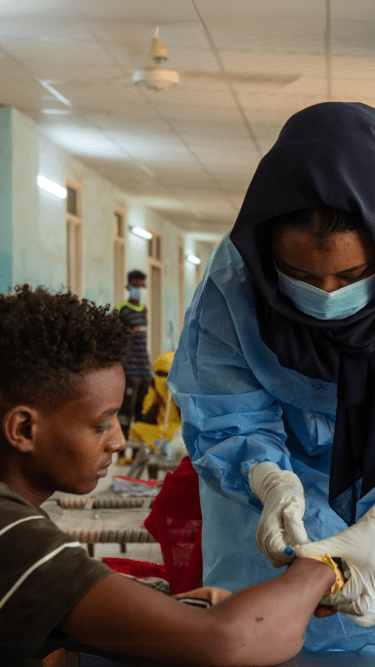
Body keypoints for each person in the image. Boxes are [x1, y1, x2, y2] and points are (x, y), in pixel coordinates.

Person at [1, 283, 370, 667]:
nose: (119, 440)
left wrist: (182, 611)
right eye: (101, 425)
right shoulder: (12, 536)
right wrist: (328, 565)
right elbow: (230, 640)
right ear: (24, 430)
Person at [167, 102, 375, 655]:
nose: (328, 295)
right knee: (263, 638)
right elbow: (222, 409)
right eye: (303, 277)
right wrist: (266, 478)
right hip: (261, 527)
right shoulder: (236, 285)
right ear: (267, 257)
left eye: (352, 276)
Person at [115, 270, 152, 453]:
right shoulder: (123, 310)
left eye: (142, 285)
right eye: (137, 285)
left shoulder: (144, 310)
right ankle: (122, 452)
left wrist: (150, 372)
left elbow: (144, 343)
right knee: (125, 414)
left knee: (140, 415)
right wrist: (129, 332)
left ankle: (136, 454)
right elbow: (116, 337)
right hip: (129, 372)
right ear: (129, 287)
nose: (140, 289)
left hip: (144, 371)